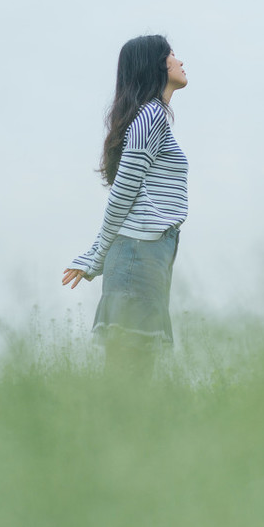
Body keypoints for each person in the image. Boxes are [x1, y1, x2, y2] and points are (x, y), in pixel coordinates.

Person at [62, 34, 188, 379]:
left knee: (136, 367)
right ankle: (108, 433)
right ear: (156, 64)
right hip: (137, 253)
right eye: (172, 54)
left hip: (148, 252)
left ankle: (123, 432)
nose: (180, 61)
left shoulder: (153, 117)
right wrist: (97, 253)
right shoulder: (150, 118)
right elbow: (122, 194)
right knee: (129, 367)